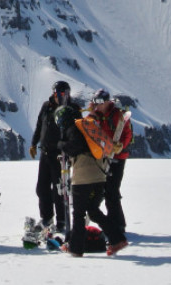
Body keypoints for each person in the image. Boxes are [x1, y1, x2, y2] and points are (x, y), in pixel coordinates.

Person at [55, 104, 128, 257]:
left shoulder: (73, 129)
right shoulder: (86, 127)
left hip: (83, 177)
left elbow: (75, 147)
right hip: (100, 175)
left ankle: (75, 249)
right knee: (94, 211)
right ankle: (117, 240)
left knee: (79, 214)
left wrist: (61, 144)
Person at [28, 79, 80, 234]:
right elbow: (39, 125)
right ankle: (46, 217)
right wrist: (33, 143)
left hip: (61, 155)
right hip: (45, 152)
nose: (56, 95)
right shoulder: (47, 106)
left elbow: (78, 132)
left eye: (60, 93)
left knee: (60, 189)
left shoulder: (72, 109)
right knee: (42, 188)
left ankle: (62, 221)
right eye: (55, 92)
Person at [91, 88, 133, 238]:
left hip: (118, 157)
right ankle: (115, 222)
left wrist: (120, 145)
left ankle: (118, 224)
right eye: (96, 102)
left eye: (101, 102)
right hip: (104, 156)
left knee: (112, 190)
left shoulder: (117, 116)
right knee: (106, 190)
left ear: (108, 102)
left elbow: (127, 133)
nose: (98, 105)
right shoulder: (98, 115)